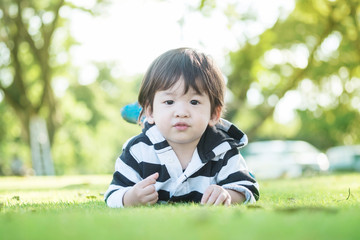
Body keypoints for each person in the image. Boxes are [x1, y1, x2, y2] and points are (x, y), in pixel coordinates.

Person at [104, 48, 259, 208]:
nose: (181, 113)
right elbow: (113, 193)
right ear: (150, 110)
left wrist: (228, 194)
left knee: (242, 175)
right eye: (169, 102)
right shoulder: (138, 150)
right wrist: (130, 198)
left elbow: (247, 189)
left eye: (194, 102)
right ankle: (141, 115)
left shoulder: (223, 149)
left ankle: (144, 114)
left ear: (214, 114)